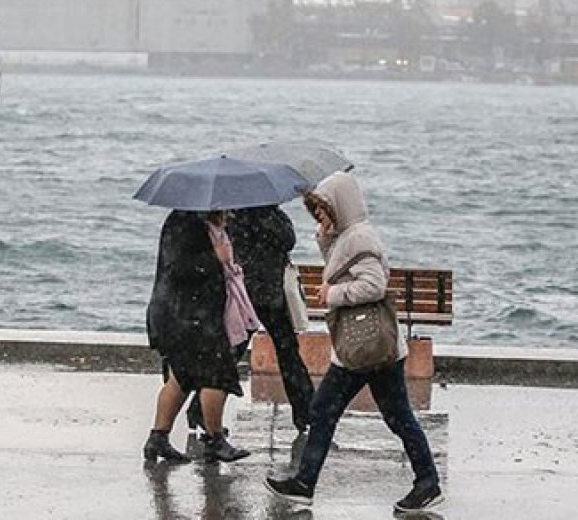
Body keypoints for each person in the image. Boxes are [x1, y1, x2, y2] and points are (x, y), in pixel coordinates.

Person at [263, 172, 443, 513]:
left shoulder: (360, 238)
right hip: (365, 348)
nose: (318, 215)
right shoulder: (348, 235)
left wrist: (334, 294)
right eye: (314, 210)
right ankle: (425, 481)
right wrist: (325, 239)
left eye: (323, 208)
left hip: (366, 347)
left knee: (337, 411)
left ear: (340, 206)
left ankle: (306, 484)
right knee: (383, 415)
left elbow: (374, 286)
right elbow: (344, 265)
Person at [143, 209, 255, 464]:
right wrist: (215, 257)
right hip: (187, 315)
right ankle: (215, 439)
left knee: (181, 378)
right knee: (216, 376)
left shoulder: (203, 222)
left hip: (191, 314)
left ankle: (158, 437)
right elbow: (179, 268)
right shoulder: (184, 222)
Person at [224, 205, 314, 433]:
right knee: (288, 353)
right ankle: (306, 412)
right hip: (269, 293)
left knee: (233, 352)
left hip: (246, 291)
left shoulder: (233, 214)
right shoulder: (269, 214)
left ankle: (200, 410)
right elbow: (288, 240)